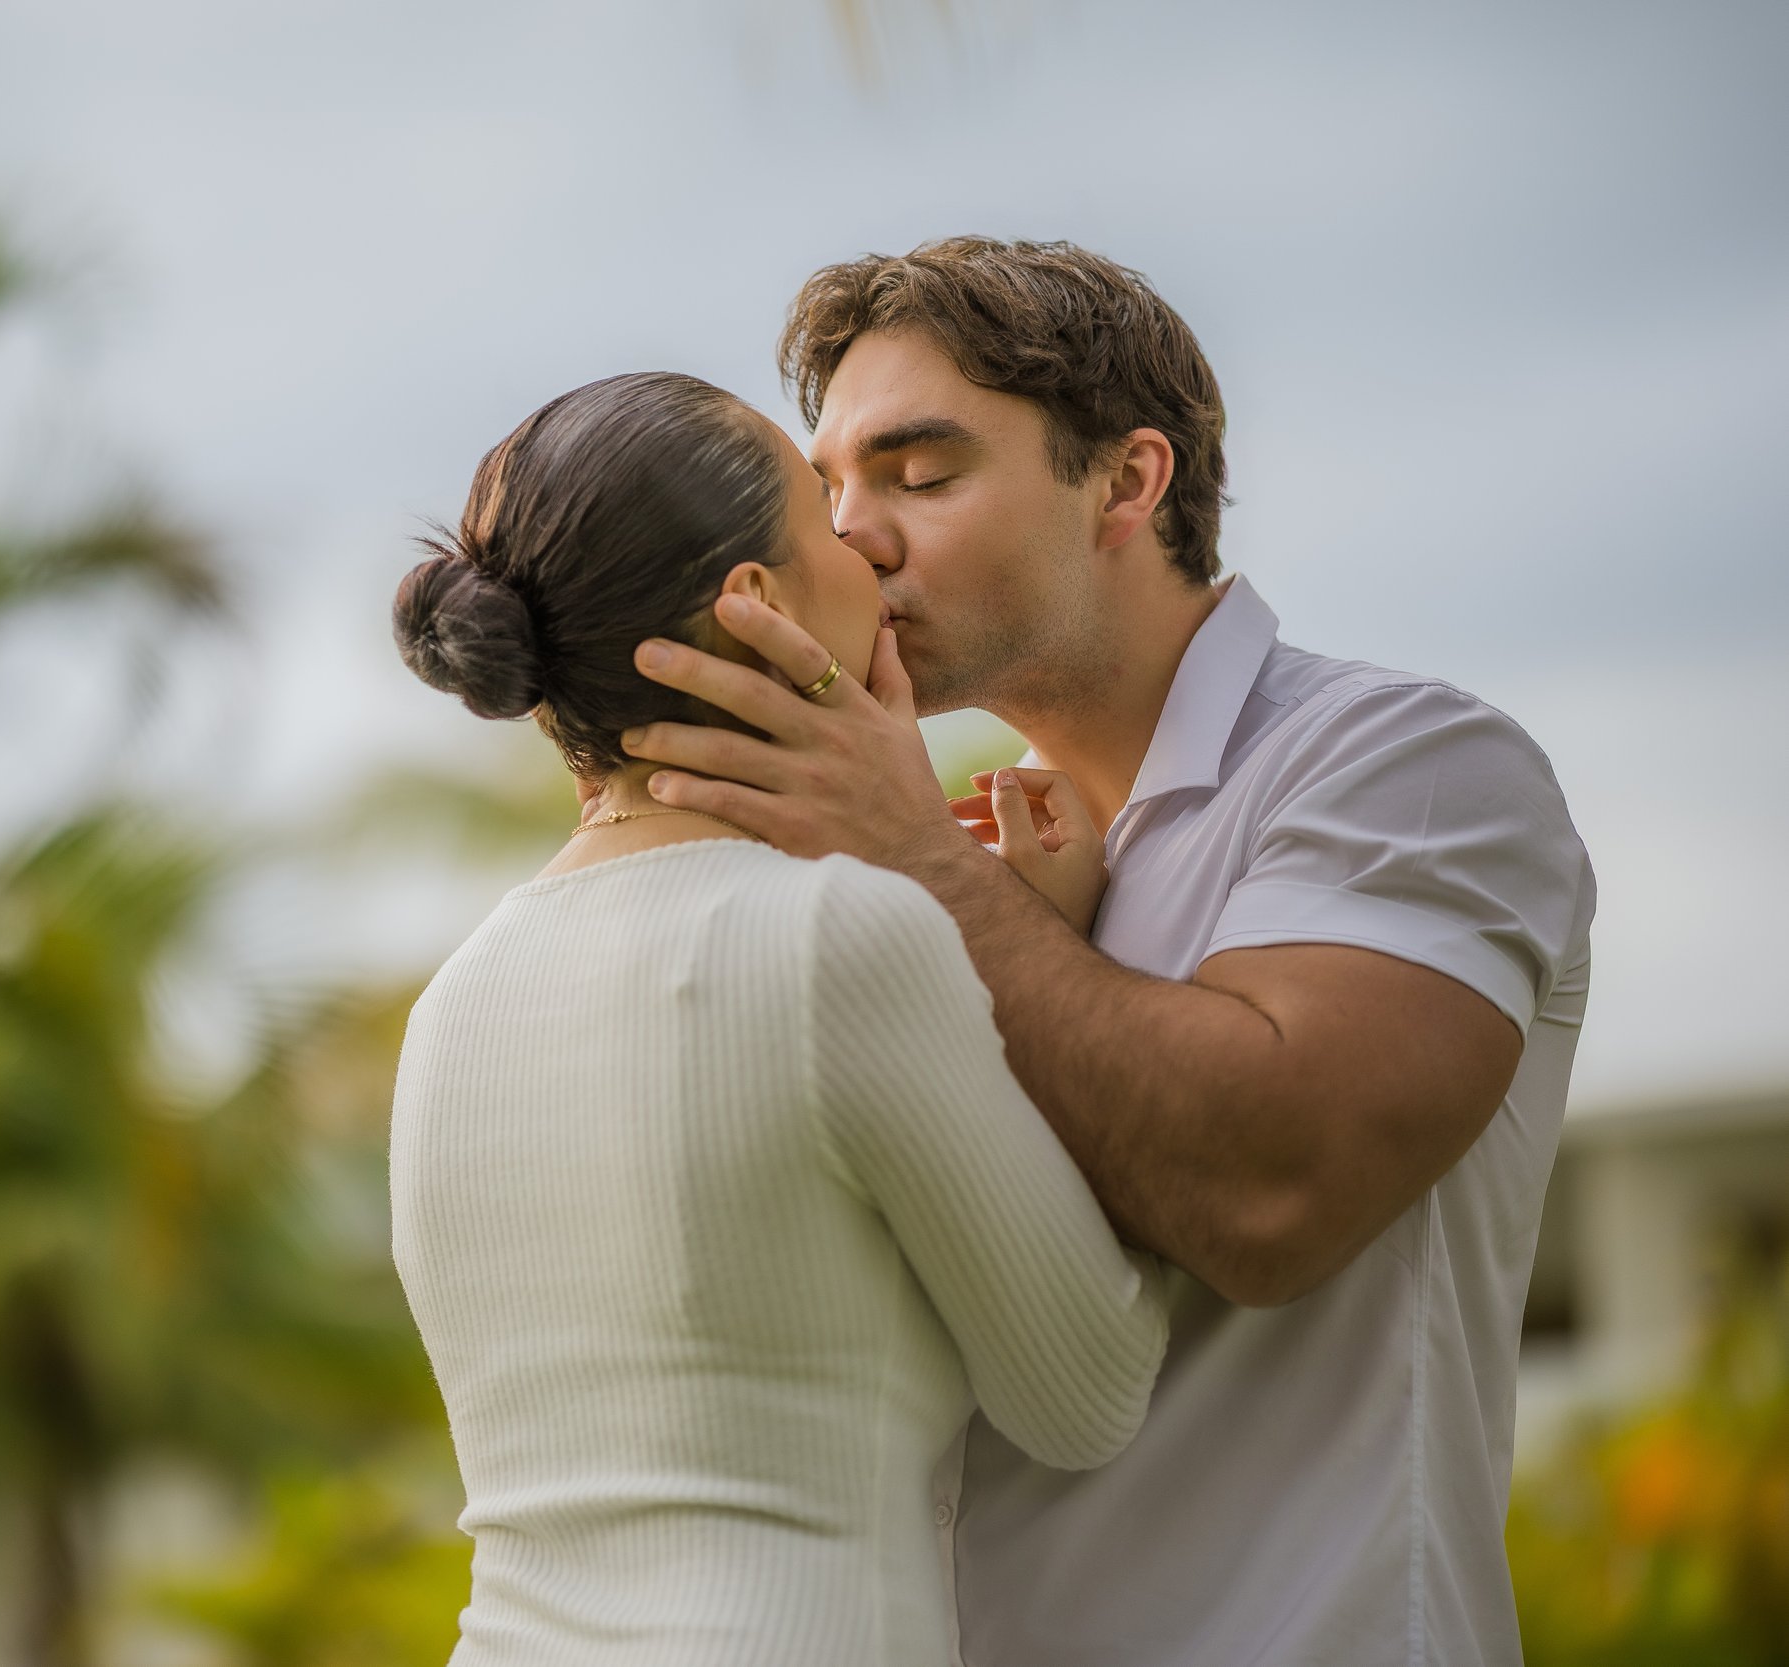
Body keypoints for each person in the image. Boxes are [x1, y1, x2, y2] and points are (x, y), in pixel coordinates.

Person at [616, 239, 1596, 1666]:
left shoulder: (1411, 765)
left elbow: (1272, 1190)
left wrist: (920, 869)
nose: (853, 539)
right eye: (835, 488)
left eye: (922, 475)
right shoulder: (961, 859)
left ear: (1130, 484)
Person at [386, 369, 1166, 1666]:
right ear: (758, 605)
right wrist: (1036, 943)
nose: (865, 542)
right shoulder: (838, 943)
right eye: (821, 510)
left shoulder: (453, 1004)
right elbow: (1085, 1394)